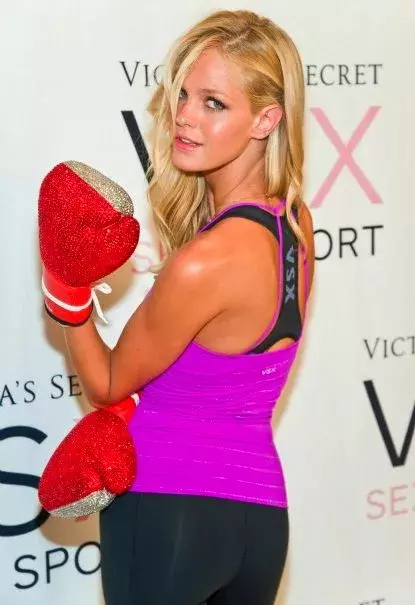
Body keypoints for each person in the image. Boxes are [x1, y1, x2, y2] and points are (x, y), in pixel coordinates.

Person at [53, 9, 315, 605]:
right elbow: (215, 375)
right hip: (259, 524)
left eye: (214, 103)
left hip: (169, 513)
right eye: (183, 95)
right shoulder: (296, 229)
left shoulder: (206, 260)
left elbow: (107, 384)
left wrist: (65, 287)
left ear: (266, 119)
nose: (185, 116)